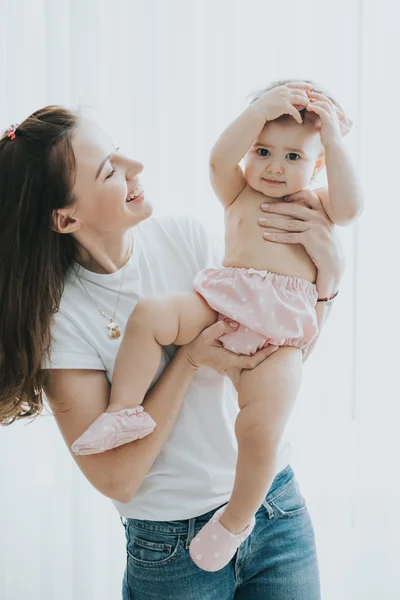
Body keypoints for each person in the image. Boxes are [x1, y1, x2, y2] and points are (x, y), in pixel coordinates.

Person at [0, 103, 345, 599]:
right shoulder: (61, 321)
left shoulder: (186, 238)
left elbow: (273, 359)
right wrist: (188, 361)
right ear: (64, 217)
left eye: (118, 152)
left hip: (274, 510)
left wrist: (326, 289)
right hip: (171, 548)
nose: (135, 167)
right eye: (109, 170)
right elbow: (118, 479)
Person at [70, 80, 364, 572]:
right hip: (225, 303)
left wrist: (333, 141)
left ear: (316, 166)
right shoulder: (237, 191)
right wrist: (259, 112)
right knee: (151, 315)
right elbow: (217, 160)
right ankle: (125, 409)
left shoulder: (317, 204)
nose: (274, 166)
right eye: (264, 151)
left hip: (284, 334)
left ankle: (238, 518)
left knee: (259, 428)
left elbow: (352, 208)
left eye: (294, 158)